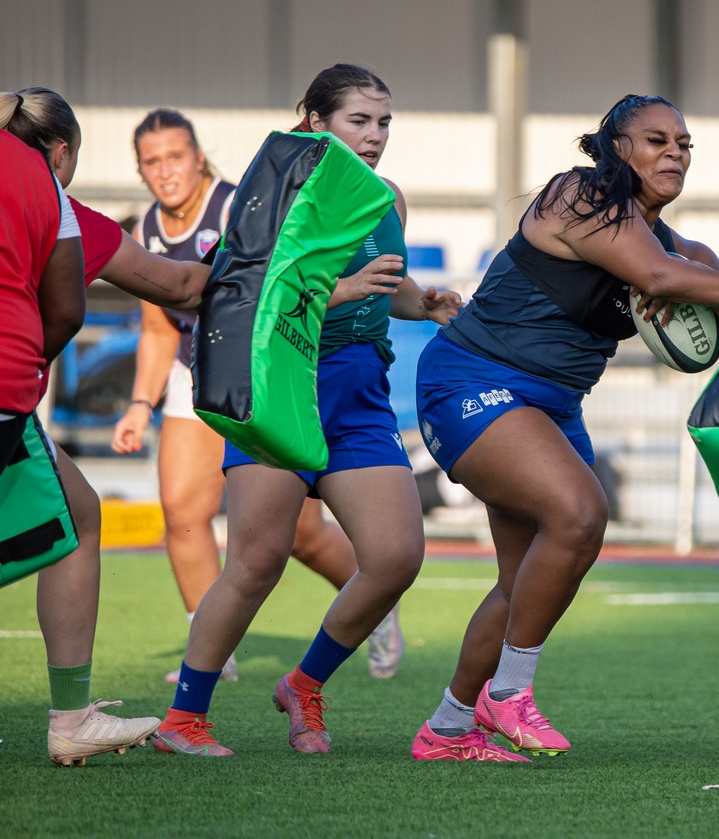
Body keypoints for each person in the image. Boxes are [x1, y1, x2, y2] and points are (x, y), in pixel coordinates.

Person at [409, 94, 719, 762]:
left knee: (520, 585)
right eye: (656, 140)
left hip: (554, 407)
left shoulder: (682, 251)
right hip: (471, 379)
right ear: (617, 148)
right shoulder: (579, 195)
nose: (675, 153)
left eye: (684, 144)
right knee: (579, 512)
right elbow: (658, 275)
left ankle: (447, 728)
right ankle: (508, 693)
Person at [152, 64, 462, 758]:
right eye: (360, 120)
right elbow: (241, 294)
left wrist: (422, 303)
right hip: (284, 384)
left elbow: (386, 283)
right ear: (316, 121)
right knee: (257, 561)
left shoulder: (387, 197)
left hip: (358, 392)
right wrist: (341, 290)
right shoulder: (275, 194)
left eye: (384, 122)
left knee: (395, 558)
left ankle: (303, 684)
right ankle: (184, 719)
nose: (376, 135)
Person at [109, 108, 405, 683]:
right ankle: (211, 654)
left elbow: (286, 286)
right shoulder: (148, 226)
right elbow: (157, 328)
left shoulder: (238, 202)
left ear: (199, 158)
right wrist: (140, 404)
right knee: (182, 513)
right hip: (198, 372)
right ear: (140, 171)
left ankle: (373, 601)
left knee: (298, 536)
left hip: (270, 369)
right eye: (152, 161)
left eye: (175, 156)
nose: (165, 170)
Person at [0, 86, 211, 765]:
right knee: (78, 523)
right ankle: (69, 718)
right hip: (4, 385)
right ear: (62, 153)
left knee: (79, 510)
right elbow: (178, 288)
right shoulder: (50, 195)